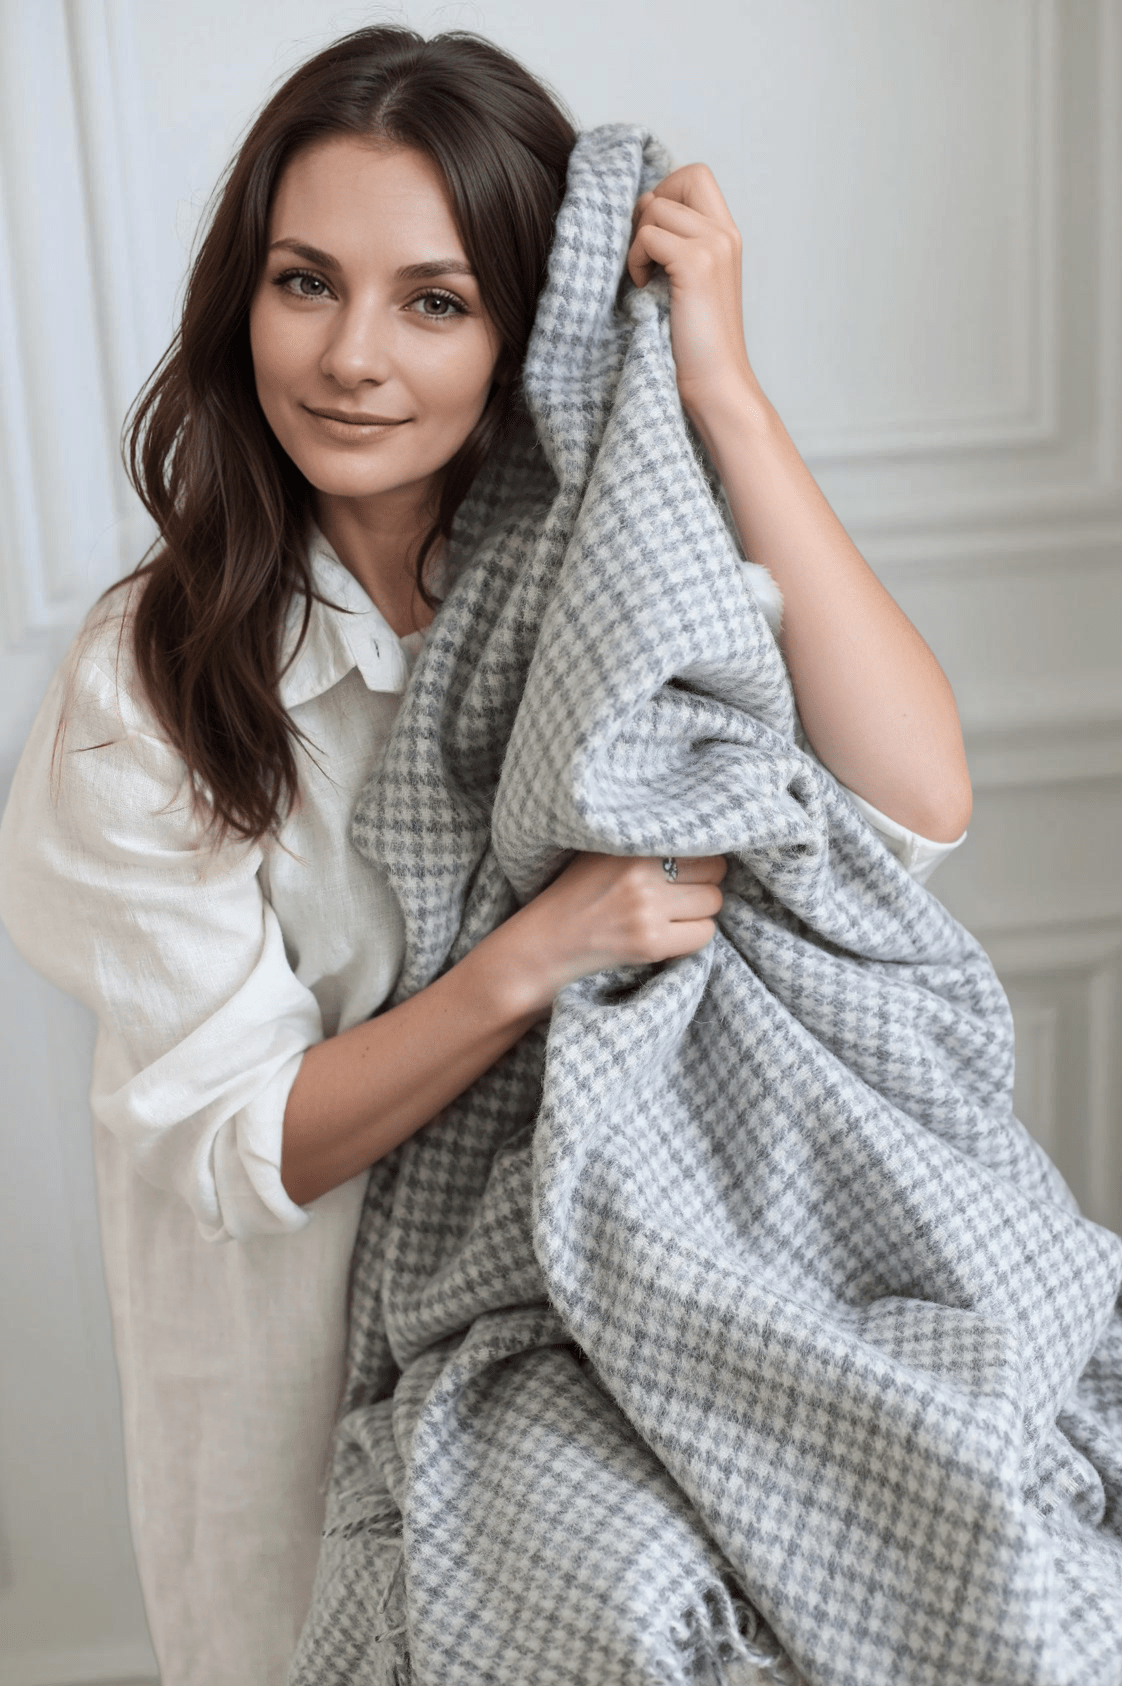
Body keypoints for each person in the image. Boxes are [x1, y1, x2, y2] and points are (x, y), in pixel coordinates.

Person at [0, 23, 972, 1686]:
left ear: (524, 326)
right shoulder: (147, 676)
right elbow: (251, 1146)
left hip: (613, 1371)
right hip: (296, 1395)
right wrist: (537, 958)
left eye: (433, 300)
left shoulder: (604, 568)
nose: (352, 356)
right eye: (306, 281)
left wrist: (718, 390)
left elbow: (907, 806)